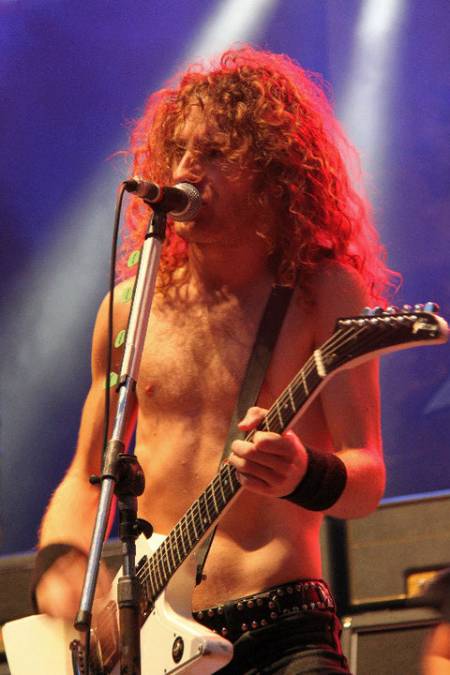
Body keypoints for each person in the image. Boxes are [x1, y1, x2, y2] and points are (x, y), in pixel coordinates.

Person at [34, 46, 393, 673]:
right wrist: (60, 565)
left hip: (282, 625)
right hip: (154, 640)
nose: (185, 171)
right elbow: (85, 476)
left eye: (215, 152)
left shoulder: (322, 292)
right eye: (179, 150)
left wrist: (302, 473)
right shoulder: (129, 310)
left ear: (273, 171)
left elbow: (367, 478)